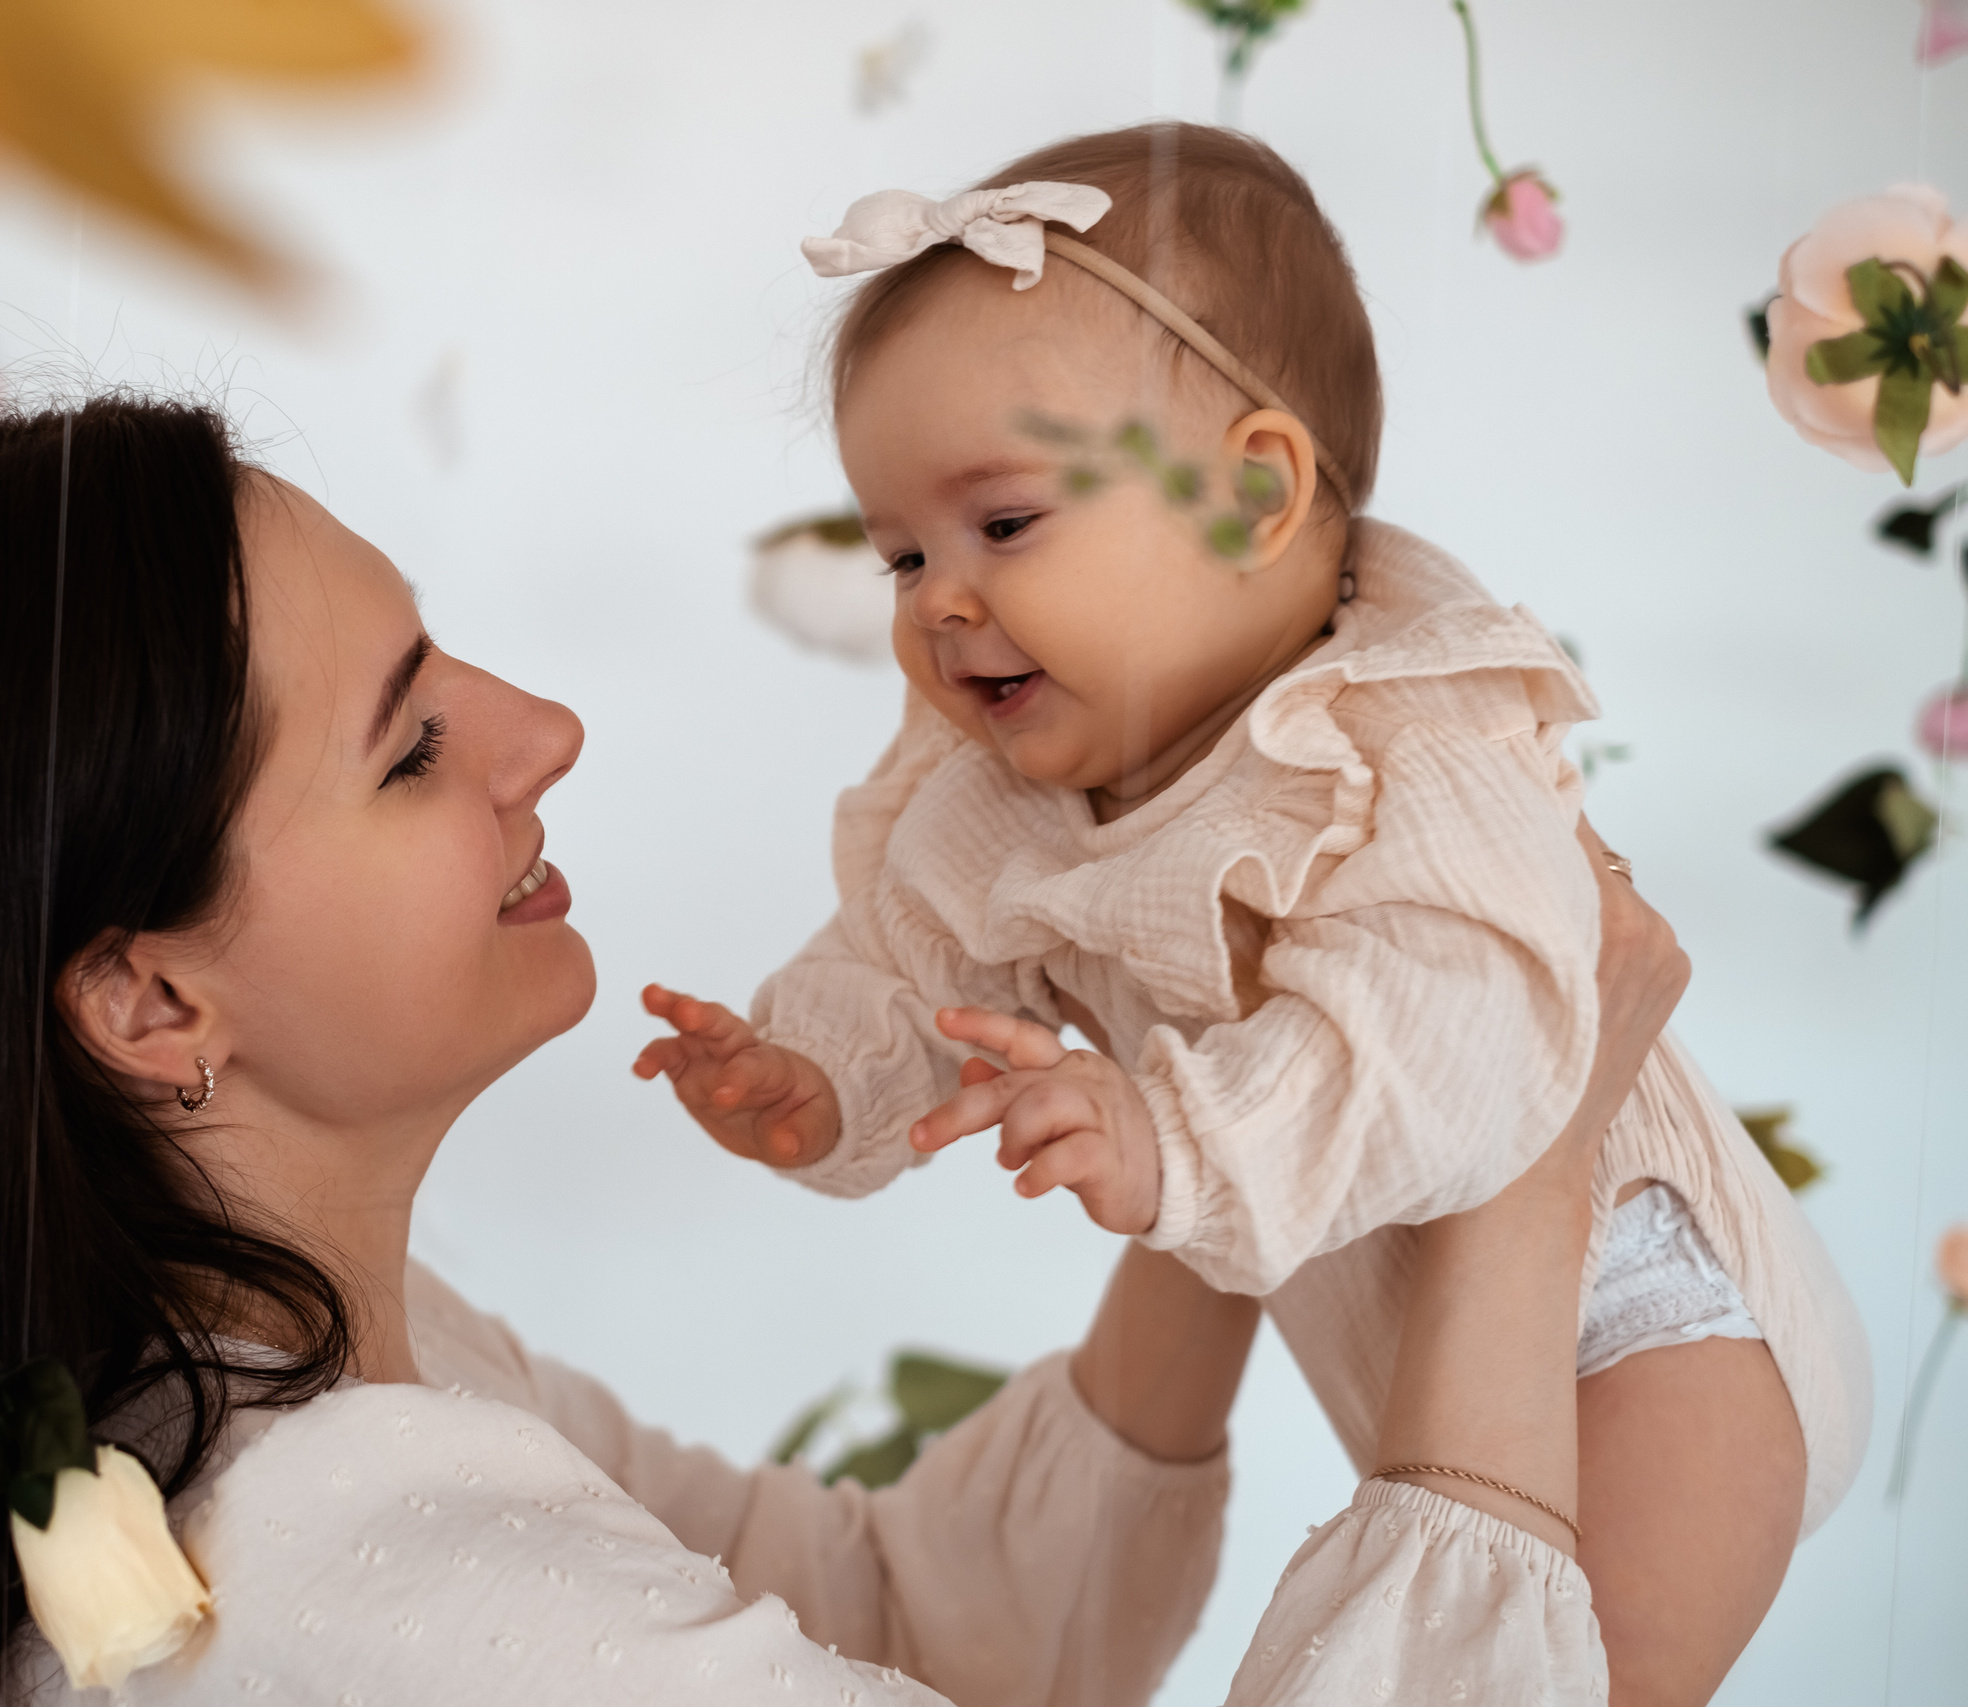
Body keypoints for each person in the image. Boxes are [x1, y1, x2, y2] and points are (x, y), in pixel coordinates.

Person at [0, 397, 1677, 1707]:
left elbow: (903, 1621)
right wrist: (1521, 1122)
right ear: (147, 999)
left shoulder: (250, 1390)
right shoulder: (310, 1579)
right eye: (406, 743)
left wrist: (1224, 1047)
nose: (539, 731)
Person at [634, 126, 1867, 1704]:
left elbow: (1460, 1025)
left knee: (1591, 1675)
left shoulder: (1404, 736)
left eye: (1003, 525)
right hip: (1406, 1355)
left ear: (1251, 497)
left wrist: (1174, 1141)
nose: (941, 598)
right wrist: (822, 1077)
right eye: (900, 554)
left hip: (1648, 1333)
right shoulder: (989, 794)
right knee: (1461, 1631)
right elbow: (905, 967)